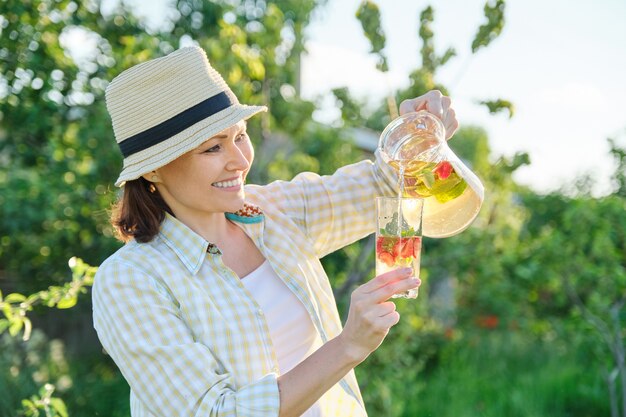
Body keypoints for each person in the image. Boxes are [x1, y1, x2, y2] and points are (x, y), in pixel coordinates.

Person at [92, 45, 458, 417]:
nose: (239, 160)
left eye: (239, 136)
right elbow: (218, 413)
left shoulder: (275, 212)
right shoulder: (129, 280)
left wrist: (418, 132)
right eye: (212, 148)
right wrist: (348, 345)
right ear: (153, 170)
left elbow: (388, 181)